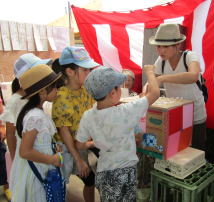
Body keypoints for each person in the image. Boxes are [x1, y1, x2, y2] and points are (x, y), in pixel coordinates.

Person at [75, 65, 159, 202]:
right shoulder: (126, 111)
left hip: (105, 172)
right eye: (119, 87)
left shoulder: (88, 116)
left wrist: (93, 143)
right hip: (128, 171)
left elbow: (79, 145)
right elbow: (155, 93)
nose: (121, 90)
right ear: (112, 93)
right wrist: (150, 72)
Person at [52, 46, 99, 202]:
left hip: (81, 143)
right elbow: (64, 133)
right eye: (85, 70)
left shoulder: (85, 89)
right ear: (70, 72)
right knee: (60, 184)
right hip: (67, 148)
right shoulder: (61, 97)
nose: (89, 74)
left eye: (89, 69)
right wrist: (78, 159)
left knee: (90, 180)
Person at [149, 23, 207, 151]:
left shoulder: (190, 56)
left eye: (165, 46)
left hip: (194, 113)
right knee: (177, 150)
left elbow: (193, 75)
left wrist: (163, 78)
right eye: (158, 46)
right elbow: (153, 82)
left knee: (195, 151)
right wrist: (146, 90)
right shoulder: (161, 61)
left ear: (177, 45)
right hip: (175, 113)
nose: (161, 50)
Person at [11, 64, 63, 201]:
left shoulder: (37, 112)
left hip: (42, 167)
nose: (57, 90)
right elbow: (25, 152)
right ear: (41, 92)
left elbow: (38, 142)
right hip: (38, 173)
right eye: (54, 87)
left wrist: (51, 147)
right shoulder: (35, 117)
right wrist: (52, 159)